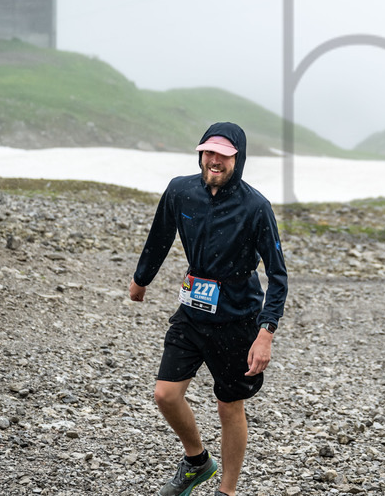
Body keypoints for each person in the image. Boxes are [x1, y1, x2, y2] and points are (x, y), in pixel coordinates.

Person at [129, 122, 288, 496]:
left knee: (228, 406)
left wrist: (266, 333)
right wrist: (141, 279)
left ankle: (226, 491)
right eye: (209, 152)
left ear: (238, 160)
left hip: (237, 318)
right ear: (200, 153)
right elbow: (160, 236)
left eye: (224, 155)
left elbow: (278, 275)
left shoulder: (255, 207)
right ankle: (197, 462)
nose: (215, 161)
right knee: (165, 394)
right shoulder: (180, 190)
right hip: (192, 308)